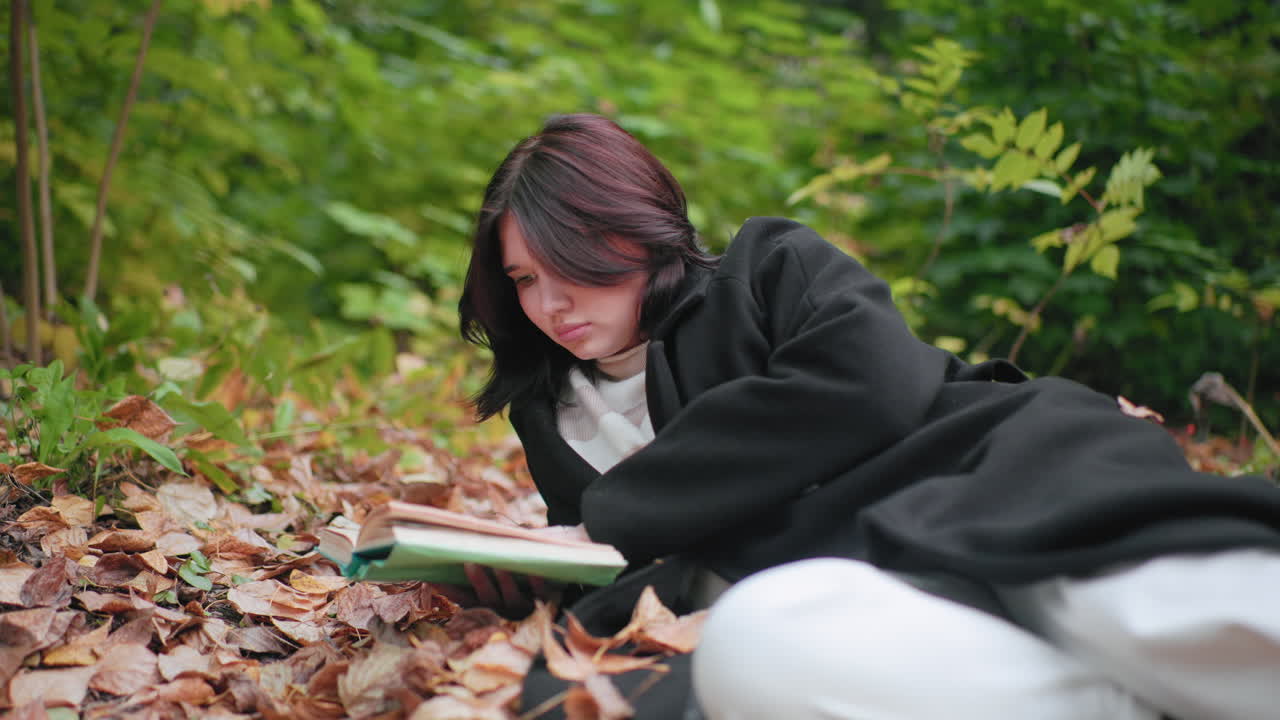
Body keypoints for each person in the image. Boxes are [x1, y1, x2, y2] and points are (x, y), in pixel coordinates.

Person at [457, 113, 1280, 720]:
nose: (550, 301)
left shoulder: (767, 269)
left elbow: (870, 382)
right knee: (759, 650)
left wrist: (608, 518)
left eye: (568, 262)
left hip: (995, 488)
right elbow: (633, 577)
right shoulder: (548, 411)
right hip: (856, 597)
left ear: (637, 227)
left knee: (1146, 621)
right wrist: (527, 569)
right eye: (523, 279)